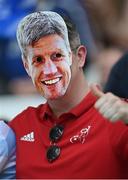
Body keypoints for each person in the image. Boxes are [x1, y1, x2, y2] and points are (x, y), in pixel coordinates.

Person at [8, 11, 128, 179]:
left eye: (57, 56)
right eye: (38, 60)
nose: (49, 71)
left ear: (80, 57)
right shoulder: (18, 127)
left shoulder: (120, 118)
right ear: (27, 66)